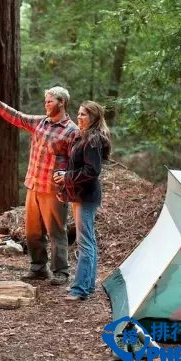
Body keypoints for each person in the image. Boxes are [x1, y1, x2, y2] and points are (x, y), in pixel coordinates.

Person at [0, 81, 79, 285]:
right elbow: (17, 117)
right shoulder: (41, 123)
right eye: (45, 101)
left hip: (54, 190)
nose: (46, 104)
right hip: (33, 185)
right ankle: (38, 268)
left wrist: (68, 181)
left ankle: (61, 271)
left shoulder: (72, 131)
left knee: (56, 231)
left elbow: (76, 162)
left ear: (62, 103)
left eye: (50, 101)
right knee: (33, 231)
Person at [53, 101, 111, 300]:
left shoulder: (93, 139)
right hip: (81, 194)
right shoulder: (84, 136)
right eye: (78, 114)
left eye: (83, 115)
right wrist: (65, 174)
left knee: (85, 242)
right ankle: (87, 285)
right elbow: (80, 166)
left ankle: (80, 289)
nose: (79, 118)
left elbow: (92, 171)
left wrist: (67, 177)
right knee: (88, 241)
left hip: (86, 195)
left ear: (93, 118)